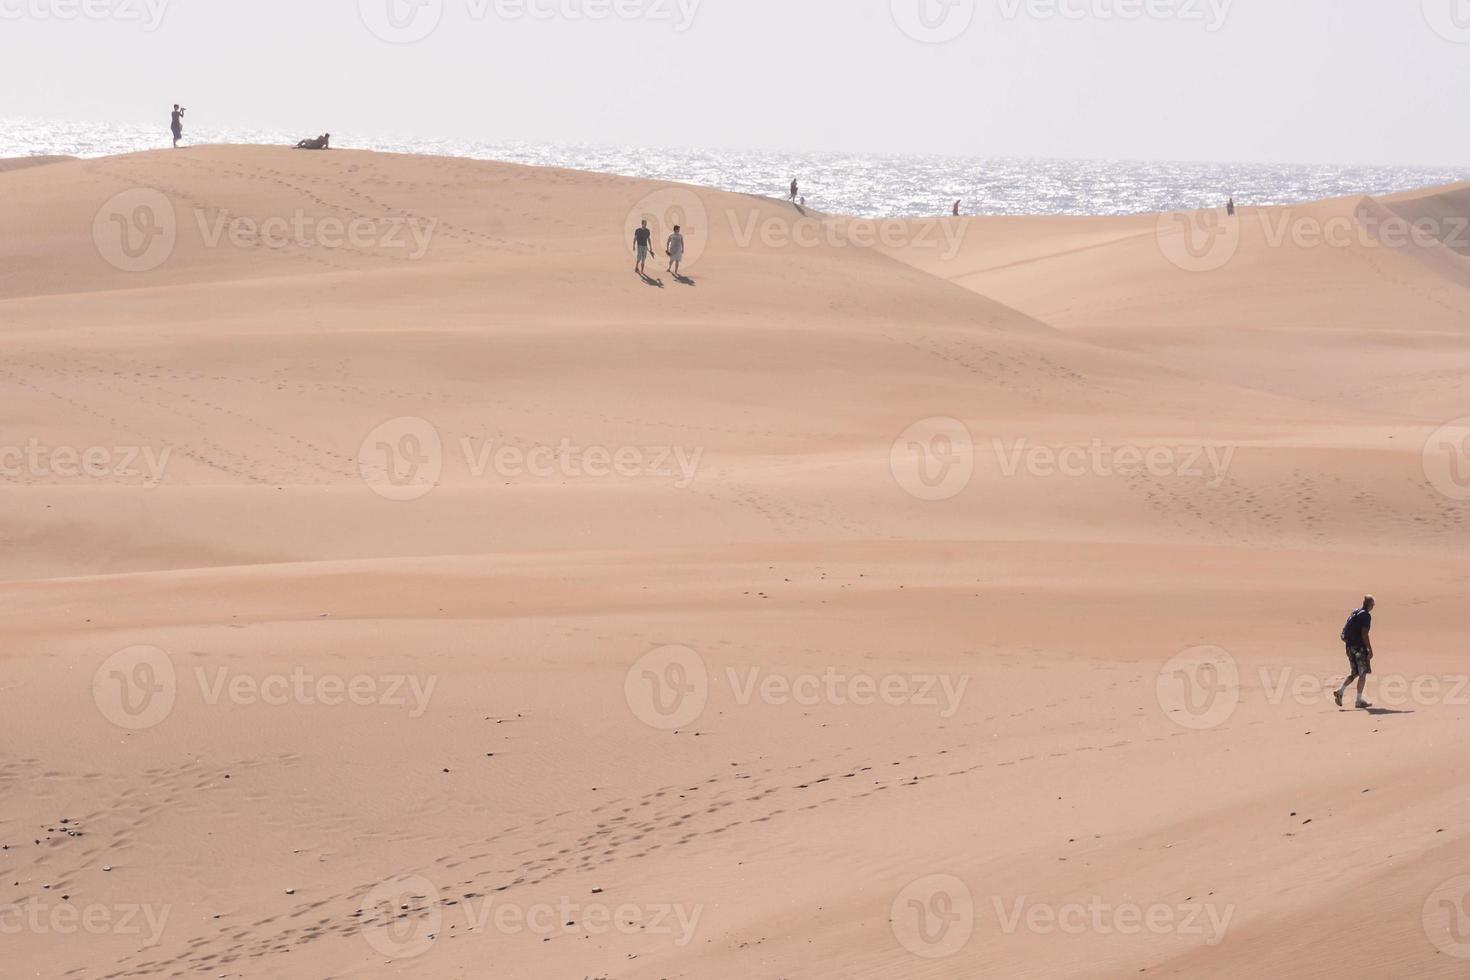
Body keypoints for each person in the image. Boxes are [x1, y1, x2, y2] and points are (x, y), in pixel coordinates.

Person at [1334, 596, 1376, 709]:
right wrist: (1370, 649)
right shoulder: (1366, 616)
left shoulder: (1355, 612)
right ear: (1370, 605)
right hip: (1359, 648)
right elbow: (1364, 634)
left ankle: (1340, 690)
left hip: (1349, 647)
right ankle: (1358, 700)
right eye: (1373, 605)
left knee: (1355, 672)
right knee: (1362, 673)